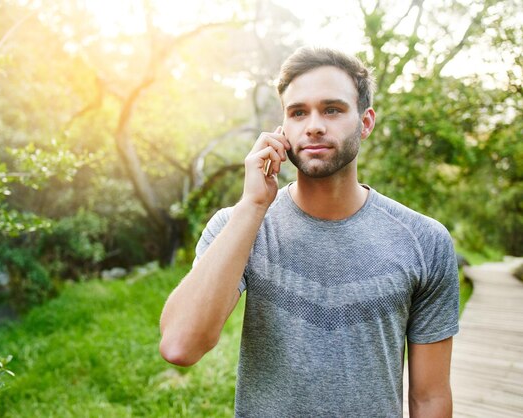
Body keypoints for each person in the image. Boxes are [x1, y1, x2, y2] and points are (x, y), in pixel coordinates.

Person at [159, 46, 459, 417]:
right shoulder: (238, 225)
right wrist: (252, 206)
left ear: (365, 122)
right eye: (298, 112)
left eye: (332, 109)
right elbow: (179, 346)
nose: (314, 125)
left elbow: (429, 397)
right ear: (283, 129)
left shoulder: (425, 241)